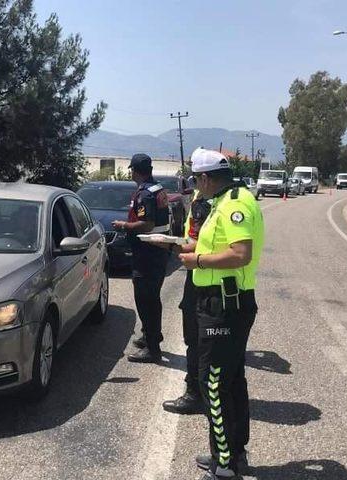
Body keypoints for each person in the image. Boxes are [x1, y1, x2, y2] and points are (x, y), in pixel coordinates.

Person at [179, 148, 264, 480]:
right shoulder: (226, 200)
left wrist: (197, 261)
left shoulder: (234, 205)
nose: (197, 189)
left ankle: (225, 466)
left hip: (225, 305)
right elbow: (218, 246)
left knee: (212, 384)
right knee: (231, 380)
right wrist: (191, 249)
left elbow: (240, 254)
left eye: (197, 182)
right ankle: (230, 452)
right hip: (222, 302)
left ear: (205, 178)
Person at [111, 153, 170, 363]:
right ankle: (150, 336)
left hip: (148, 253)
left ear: (135, 171)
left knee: (146, 300)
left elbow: (147, 224)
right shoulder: (158, 189)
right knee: (150, 297)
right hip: (157, 251)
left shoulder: (145, 194)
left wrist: (123, 225)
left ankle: (153, 349)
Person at [161, 187, 212, 414]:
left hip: (204, 281)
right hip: (199, 278)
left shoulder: (206, 203)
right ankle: (200, 391)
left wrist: (170, 245)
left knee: (196, 340)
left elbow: (199, 242)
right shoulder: (204, 198)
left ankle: (196, 394)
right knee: (196, 341)